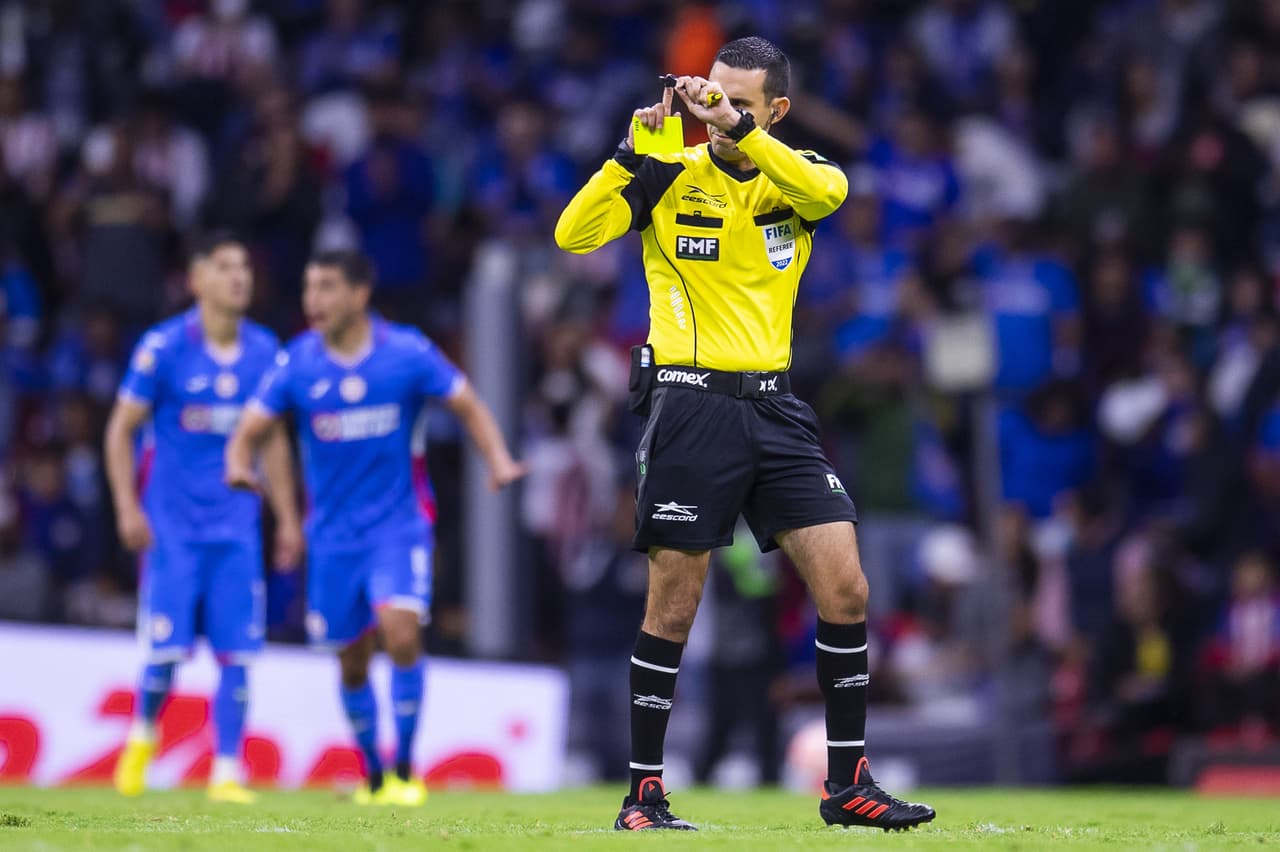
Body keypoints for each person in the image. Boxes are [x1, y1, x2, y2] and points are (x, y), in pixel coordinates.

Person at [555, 36, 936, 831]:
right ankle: (643, 795)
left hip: (776, 407)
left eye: (739, 103)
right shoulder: (669, 175)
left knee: (847, 586)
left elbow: (829, 192)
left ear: (777, 110)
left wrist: (741, 132)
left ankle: (848, 785)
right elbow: (573, 235)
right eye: (713, 97)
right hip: (690, 404)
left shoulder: (796, 178)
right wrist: (630, 155)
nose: (717, 113)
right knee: (674, 605)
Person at [224, 250, 524, 805]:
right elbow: (250, 428)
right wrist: (239, 463)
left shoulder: (406, 353)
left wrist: (498, 459)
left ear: (360, 294)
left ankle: (406, 769)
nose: (313, 300)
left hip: (399, 525)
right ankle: (373, 775)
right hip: (332, 539)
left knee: (401, 632)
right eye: (309, 287)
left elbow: (467, 404)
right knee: (352, 659)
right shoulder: (298, 362)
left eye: (327, 287)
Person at [107, 232, 302, 804]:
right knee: (165, 652)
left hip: (236, 527)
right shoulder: (164, 348)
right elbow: (120, 429)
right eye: (224, 267)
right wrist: (127, 506)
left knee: (237, 651)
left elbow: (274, 442)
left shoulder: (265, 352)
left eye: (244, 267)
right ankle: (142, 736)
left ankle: (226, 771)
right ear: (197, 281)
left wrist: (288, 519)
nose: (239, 277)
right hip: (172, 527)